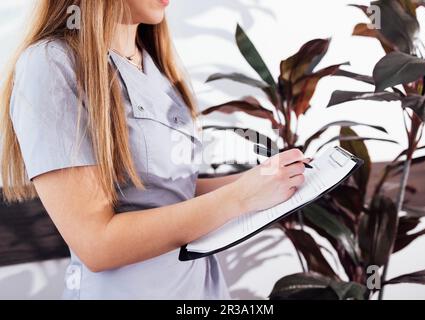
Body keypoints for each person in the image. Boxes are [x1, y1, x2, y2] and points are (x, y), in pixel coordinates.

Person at [0, 0, 306, 300]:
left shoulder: (152, 62)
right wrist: (241, 197)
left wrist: (267, 179)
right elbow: (96, 243)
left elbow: (170, 190)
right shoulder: (50, 65)